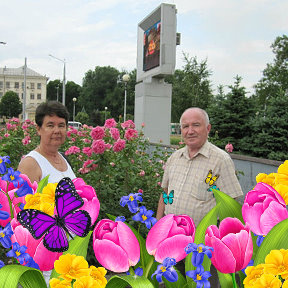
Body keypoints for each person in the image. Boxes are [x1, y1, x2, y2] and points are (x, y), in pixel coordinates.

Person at [156, 107, 243, 225]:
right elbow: (165, 193)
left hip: (201, 240)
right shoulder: (174, 158)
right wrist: (157, 228)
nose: (190, 131)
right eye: (185, 126)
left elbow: (231, 203)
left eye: (196, 125)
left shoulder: (220, 160)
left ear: (208, 129)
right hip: (171, 232)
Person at [18, 101, 76, 184]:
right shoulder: (30, 164)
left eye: (61, 125)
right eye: (50, 125)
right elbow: (24, 197)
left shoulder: (64, 159)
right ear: (38, 129)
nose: (57, 131)